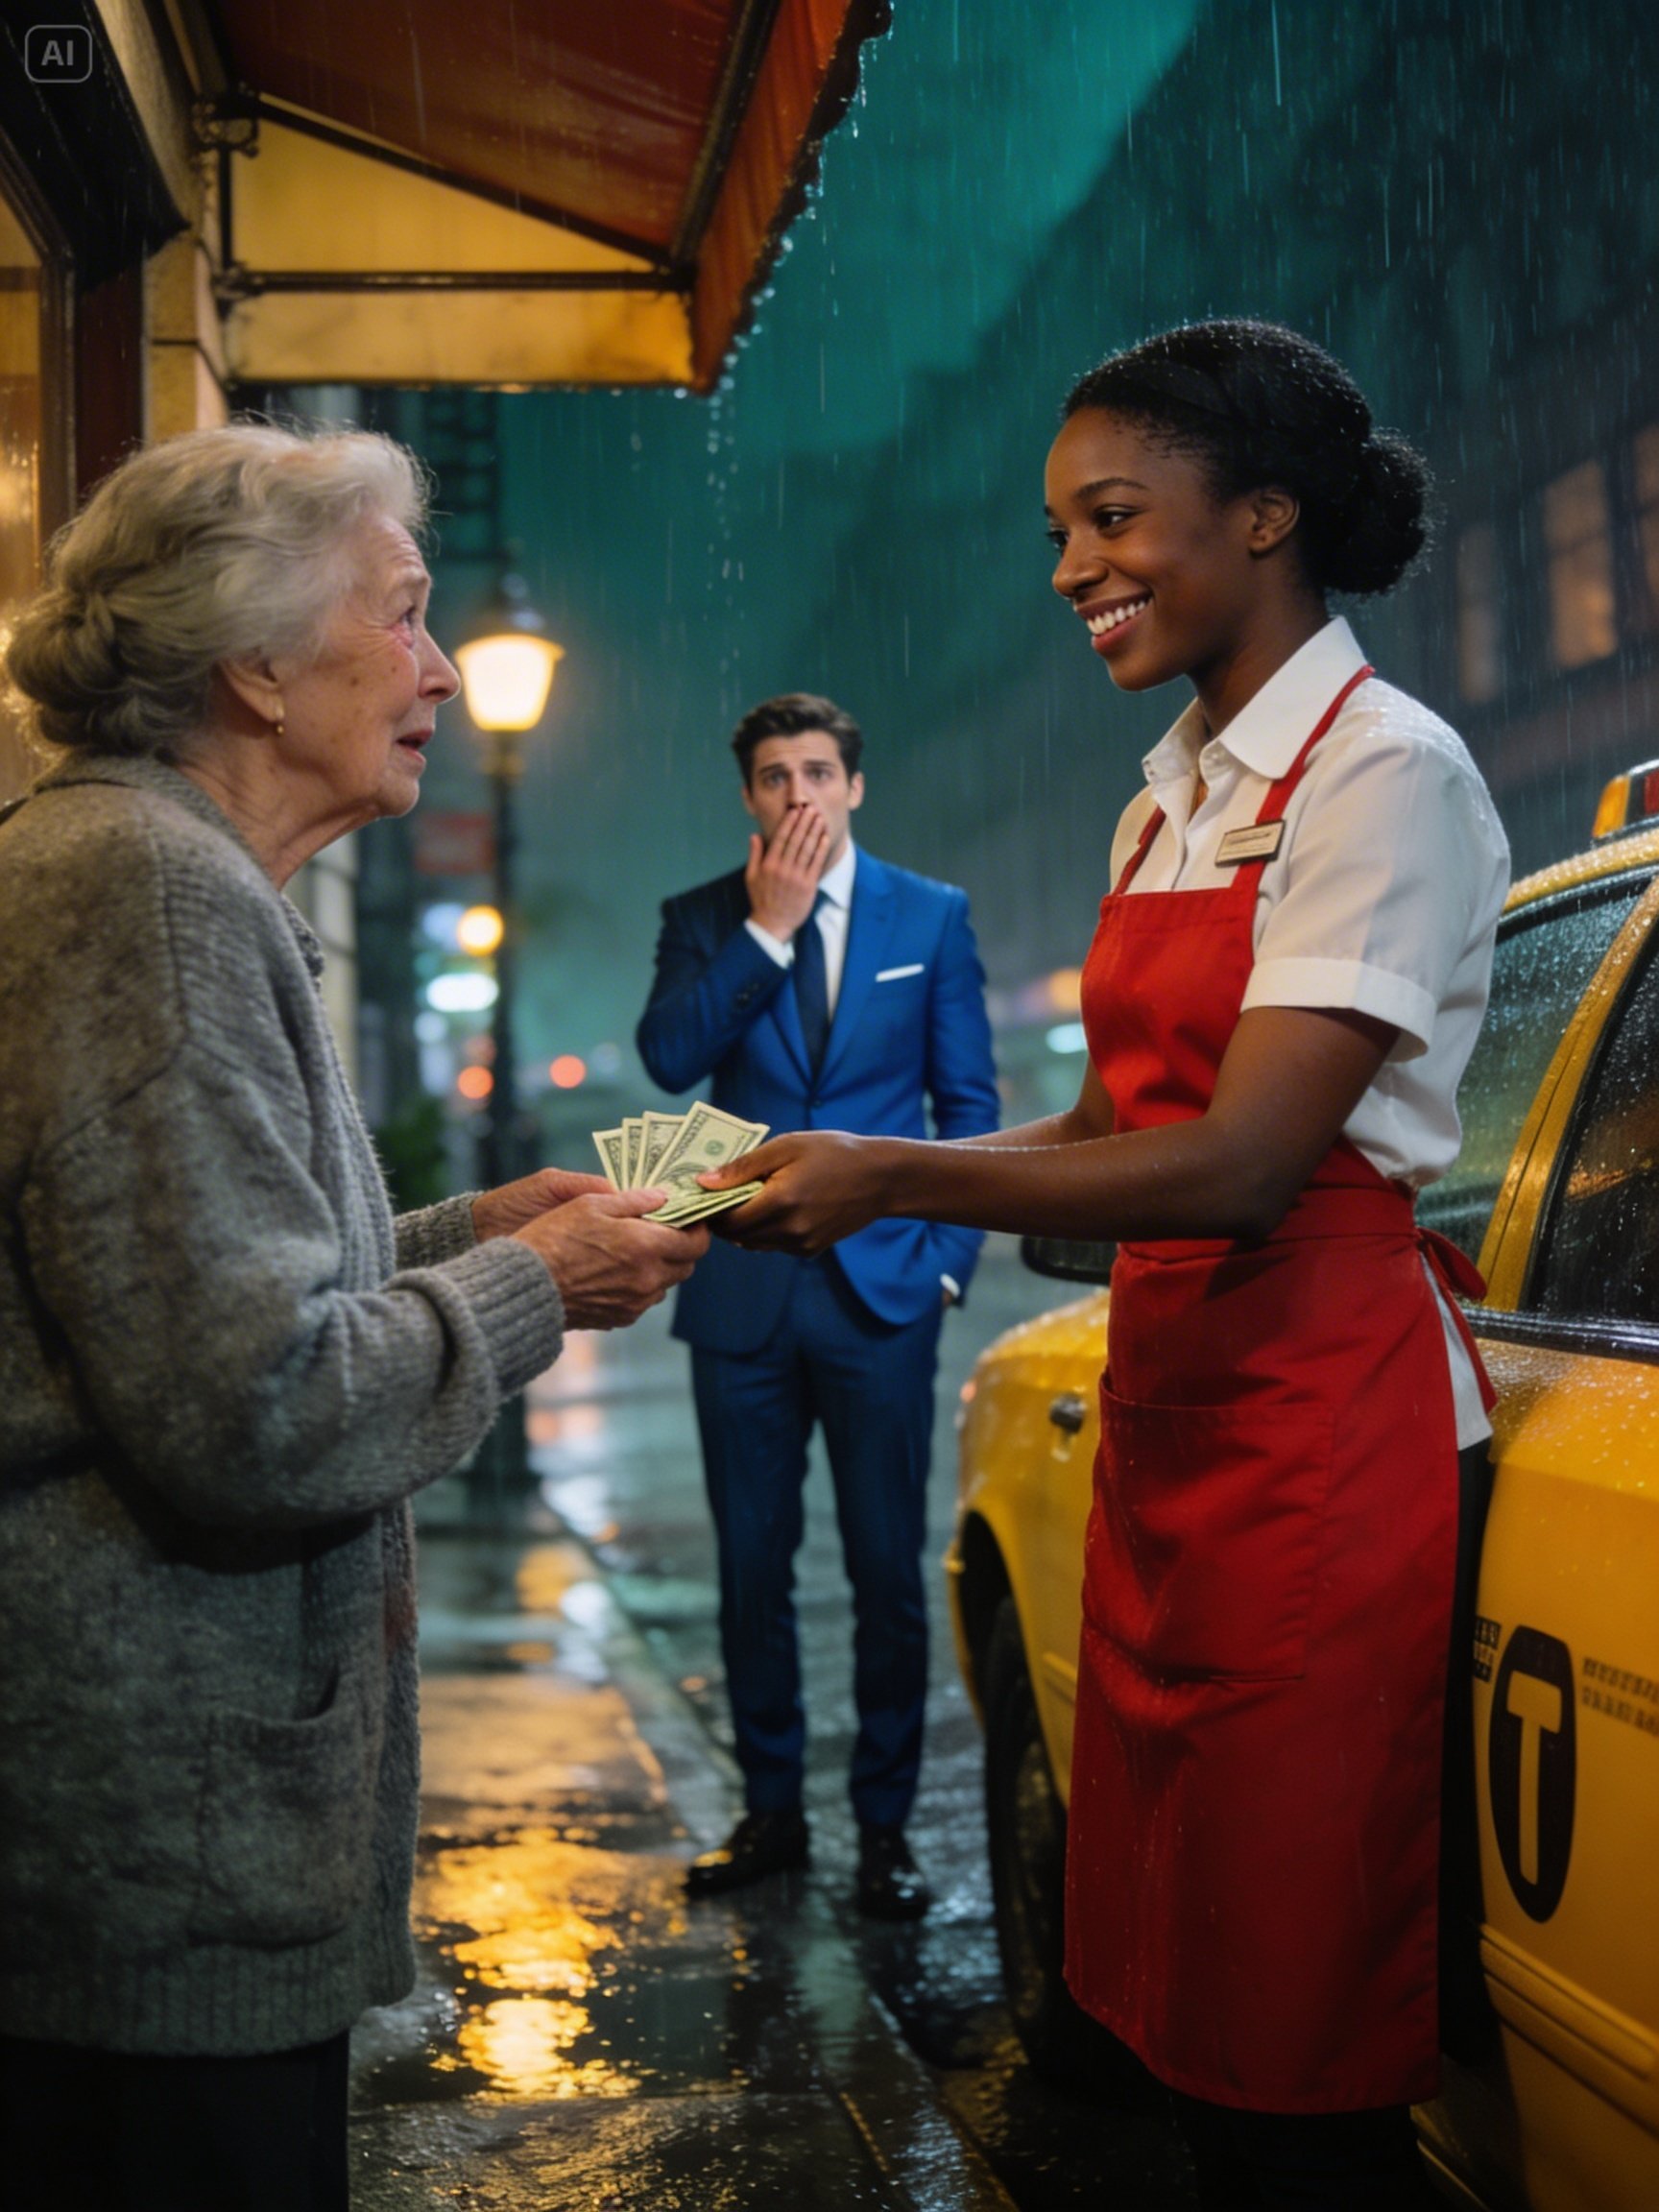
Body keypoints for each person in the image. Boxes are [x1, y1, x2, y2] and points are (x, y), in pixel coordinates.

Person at [702, 324, 1509, 2206]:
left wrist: (891, 1170)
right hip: (1173, 1420)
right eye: (1060, 530)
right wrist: (843, 1167)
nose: (1071, 566)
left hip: (1320, 1433)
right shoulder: (1170, 792)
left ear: (1265, 515)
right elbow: (1101, 1125)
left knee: (1297, 2027)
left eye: (1113, 517)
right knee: (1185, 1997)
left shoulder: (1382, 772)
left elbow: (1242, 1162)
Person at [0, 422, 708, 2211]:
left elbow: (188, 1279)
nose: (439, 668)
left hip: (149, 1859)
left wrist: (471, 1229)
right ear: (253, 660)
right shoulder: (150, 889)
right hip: (153, 1874)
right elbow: (256, 1406)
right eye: (399, 614)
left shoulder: (148, 866)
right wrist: (538, 1283)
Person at [637, 693, 1000, 1915]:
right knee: (753, 1570)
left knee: (888, 1572)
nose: (798, 794)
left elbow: (969, 1109)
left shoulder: (930, 915)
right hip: (739, 1299)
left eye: (818, 772)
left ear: (854, 785)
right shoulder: (703, 918)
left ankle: (886, 1833)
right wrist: (769, 931)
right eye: (774, 776)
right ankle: (772, 1814)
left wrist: (945, 1264)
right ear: (749, 795)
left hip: (884, 1295)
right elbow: (669, 1058)